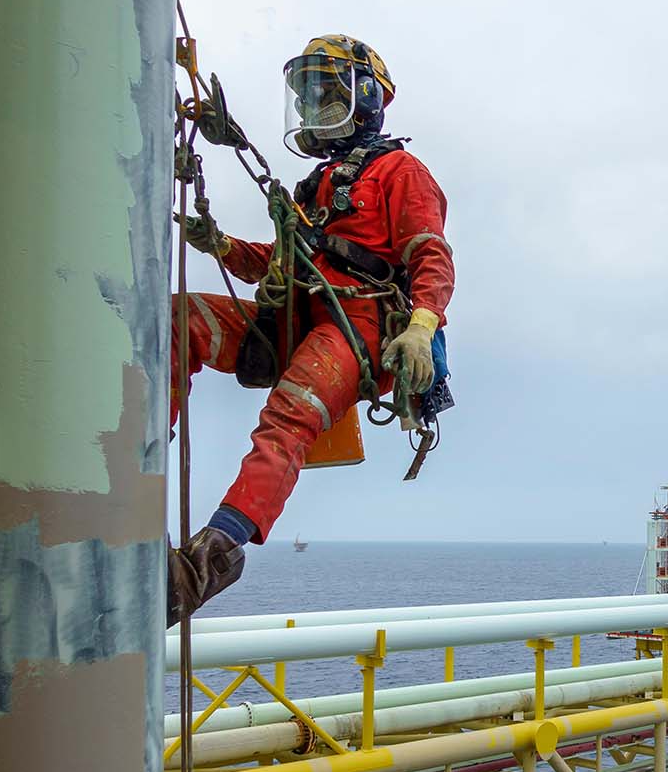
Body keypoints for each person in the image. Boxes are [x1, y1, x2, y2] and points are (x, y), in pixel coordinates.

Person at [167, 34, 454, 626]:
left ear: (366, 96)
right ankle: (131, 459)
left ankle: (211, 556)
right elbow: (283, 260)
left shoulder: (401, 172)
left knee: (288, 415)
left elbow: (430, 254)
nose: (314, 106)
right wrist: (220, 245)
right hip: (297, 317)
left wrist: (421, 326)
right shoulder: (319, 186)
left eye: (326, 92)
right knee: (179, 318)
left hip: (358, 324)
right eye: (310, 95)